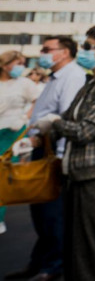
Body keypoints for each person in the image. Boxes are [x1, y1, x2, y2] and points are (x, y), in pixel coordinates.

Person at [34, 26, 95, 281]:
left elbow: (84, 130)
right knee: (74, 247)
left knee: (90, 251)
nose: (83, 51)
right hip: (79, 173)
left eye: (89, 47)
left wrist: (54, 123)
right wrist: (39, 137)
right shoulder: (91, 82)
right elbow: (69, 119)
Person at [4, 36, 86, 281]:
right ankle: (39, 263)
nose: (42, 53)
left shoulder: (72, 76)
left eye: (47, 49)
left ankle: (52, 267)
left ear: (64, 52)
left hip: (55, 151)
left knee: (52, 215)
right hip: (42, 146)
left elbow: (66, 117)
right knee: (41, 214)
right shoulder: (56, 77)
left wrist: (58, 156)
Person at [0, 50, 37, 236]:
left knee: (2, 176)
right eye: (18, 63)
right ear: (5, 64)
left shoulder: (25, 83)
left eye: (23, 63)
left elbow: (38, 101)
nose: (21, 67)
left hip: (12, 132)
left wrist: (25, 118)